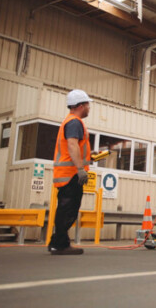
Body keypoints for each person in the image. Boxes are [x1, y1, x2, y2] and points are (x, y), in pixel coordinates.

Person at [47, 89, 93, 255]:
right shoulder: (74, 122)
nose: (89, 108)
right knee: (68, 209)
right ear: (80, 105)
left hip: (67, 173)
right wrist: (80, 169)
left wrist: (87, 158)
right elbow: (72, 145)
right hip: (71, 174)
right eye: (87, 105)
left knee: (66, 209)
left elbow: (75, 147)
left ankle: (59, 242)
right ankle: (59, 244)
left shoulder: (70, 121)